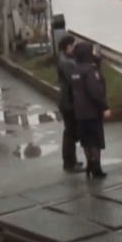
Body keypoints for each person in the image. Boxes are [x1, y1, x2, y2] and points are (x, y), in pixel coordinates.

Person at [69, 42, 111, 179]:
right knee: (95, 140)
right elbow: (95, 91)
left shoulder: (74, 70)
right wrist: (104, 107)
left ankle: (89, 164)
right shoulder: (91, 70)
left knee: (86, 140)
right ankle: (96, 167)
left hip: (79, 111)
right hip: (92, 111)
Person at [55, 35, 82, 173]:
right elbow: (75, 82)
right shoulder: (68, 63)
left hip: (66, 100)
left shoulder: (64, 59)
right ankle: (69, 163)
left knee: (70, 131)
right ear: (69, 46)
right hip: (69, 102)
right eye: (74, 45)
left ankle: (71, 160)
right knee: (71, 132)